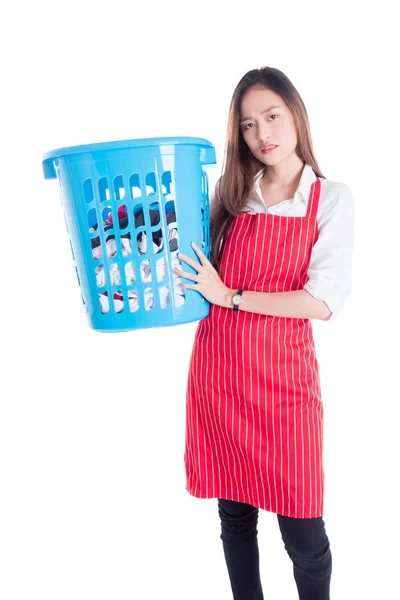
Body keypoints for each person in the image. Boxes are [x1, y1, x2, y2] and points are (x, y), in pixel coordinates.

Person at [173, 66, 354, 600]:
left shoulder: (330, 199)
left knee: (303, 534)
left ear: (296, 114)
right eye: (248, 125)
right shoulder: (230, 194)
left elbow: (321, 301)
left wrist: (229, 295)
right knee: (234, 515)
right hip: (221, 372)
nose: (262, 134)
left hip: (282, 386)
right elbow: (186, 262)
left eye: (272, 116)